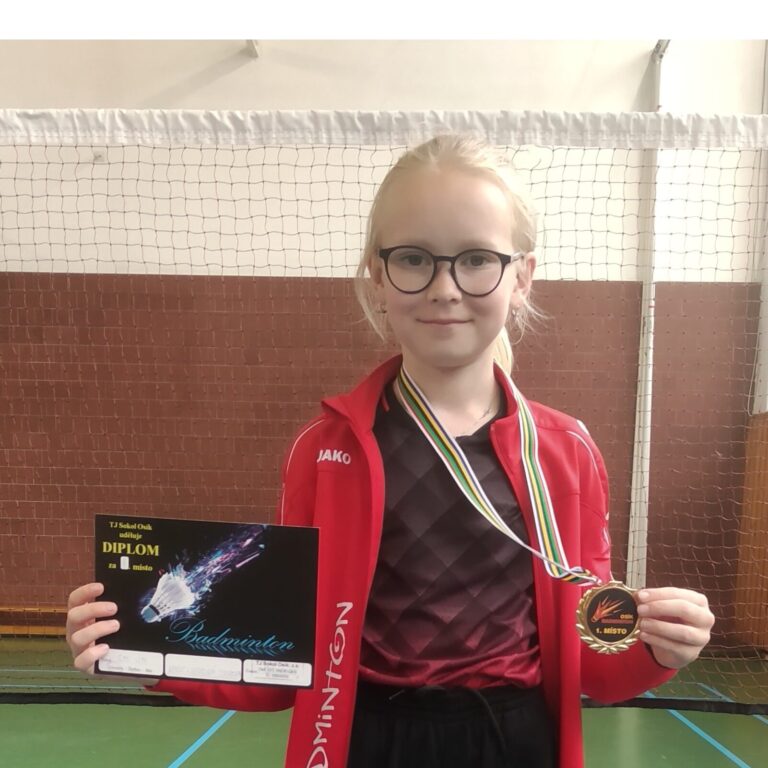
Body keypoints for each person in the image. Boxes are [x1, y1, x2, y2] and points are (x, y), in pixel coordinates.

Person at [66, 135, 714, 768]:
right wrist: (142, 649)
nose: (444, 287)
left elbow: (592, 661)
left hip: (514, 742)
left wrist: (658, 649)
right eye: (413, 259)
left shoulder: (567, 452)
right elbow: (282, 655)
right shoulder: (323, 450)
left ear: (522, 276)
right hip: (364, 738)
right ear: (377, 276)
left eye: (476, 259)